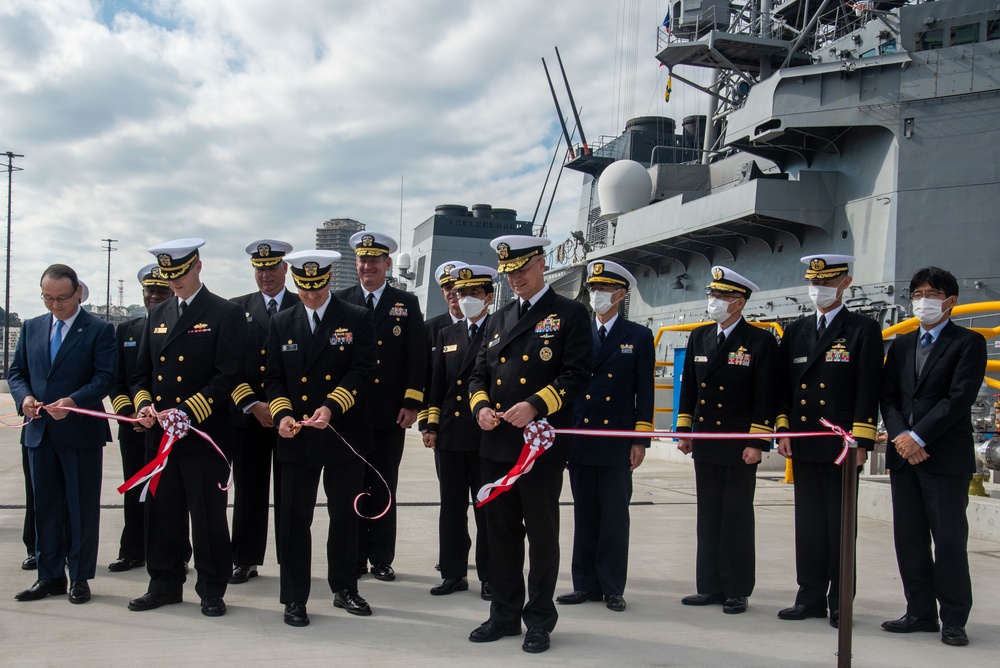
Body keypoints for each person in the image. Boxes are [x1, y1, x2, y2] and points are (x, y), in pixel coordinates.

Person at [467, 235, 591, 654]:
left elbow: (576, 375)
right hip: (497, 445)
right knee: (499, 535)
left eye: (522, 269)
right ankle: (503, 614)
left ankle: (538, 619)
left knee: (541, 536)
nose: (515, 278)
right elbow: (477, 374)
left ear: (540, 263)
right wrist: (481, 407)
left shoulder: (570, 313)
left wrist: (536, 404)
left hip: (539, 447)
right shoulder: (497, 318)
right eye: (509, 272)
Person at [127, 238, 246, 618]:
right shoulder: (157, 313)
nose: (175, 283)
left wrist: (187, 412)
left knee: (208, 516)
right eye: (169, 276)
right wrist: (143, 403)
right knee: (163, 514)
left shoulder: (224, 313)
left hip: (203, 434)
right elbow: (140, 373)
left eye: (180, 274)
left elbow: (228, 375)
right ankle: (164, 583)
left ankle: (212, 588)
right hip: (161, 436)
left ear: (197, 266)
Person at [264, 250, 377, 627]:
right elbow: (274, 378)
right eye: (304, 288)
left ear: (328, 280)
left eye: (317, 287)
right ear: (296, 282)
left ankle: (345, 588)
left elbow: (362, 372)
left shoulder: (356, 318)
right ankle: (295, 597)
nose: (311, 295)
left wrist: (331, 407)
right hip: (297, 436)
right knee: (294, 520)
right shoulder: (282, 322)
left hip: (343, 430)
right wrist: (281, 414)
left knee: (345, 515)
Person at [880, 266, 987, 647]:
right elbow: (889, 397)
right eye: (918, 293)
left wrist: (919, 436)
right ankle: (919, 612)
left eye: (931, 293)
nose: (922, 300)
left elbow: (959, 398)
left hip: (943, 457)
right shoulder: (903, 345)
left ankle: (954, 618)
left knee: (949, 540)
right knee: (908, 539)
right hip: (904, 457)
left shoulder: (968, 343)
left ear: (950, 301)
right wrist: (901, 436)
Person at [775, 254, 882, 628]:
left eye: (824, 283)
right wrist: (783, 430)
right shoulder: (796, 330)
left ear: (844, 283)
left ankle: (840, 602)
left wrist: (862, 441)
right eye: (812, 283)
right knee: (807, 525)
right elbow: (783, 387)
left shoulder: (862, 330)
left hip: (841, 447)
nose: (816, 290)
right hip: (803, 442)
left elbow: (868, 389)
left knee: (839, 524)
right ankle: (809, 597)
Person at [9, 263, 117, 605]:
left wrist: (74, 401)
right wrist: (24, 397)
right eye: (47, 298)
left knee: (81, 507)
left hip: (80, 432)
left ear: (78, 293)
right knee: (45, 507)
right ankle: (49, 575)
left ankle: (80, 577)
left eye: (62, 298)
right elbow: (16, 373)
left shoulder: (98, 330)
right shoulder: (31, 328)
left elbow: (105, 377)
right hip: (39, 433)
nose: (55, 305)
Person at [675, 266, 778, 615]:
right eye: (711, 295)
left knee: (735, 515)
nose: (713, 301)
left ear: (739, 301)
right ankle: (709, 586)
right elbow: (689, 387)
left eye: (721, 296)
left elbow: (766, 395)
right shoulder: (699, 337)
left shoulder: (759, 340)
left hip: (739, 444)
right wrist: (685, 431)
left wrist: (758, 442)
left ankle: (736, 589)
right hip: (705, 440)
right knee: (709, 513)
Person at [557, 260, 654, 613]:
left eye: (603, 289)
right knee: (584, 515)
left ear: (620, 294)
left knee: (614, 516)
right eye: (593, 289)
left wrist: (639, 439)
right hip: (580, 436)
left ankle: (612, 586)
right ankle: (583, 584)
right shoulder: (578, 331)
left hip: (616, 439)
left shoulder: (638, 336)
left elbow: (645, 391)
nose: (596, 295)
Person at [335, 231, 426, 582]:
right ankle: (355, 556)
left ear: (388, 264)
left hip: (390, 413)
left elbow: (416, 357)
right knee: (352, 485)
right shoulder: (340, 300)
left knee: (385, 483)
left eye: (374, 259)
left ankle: (381, 557)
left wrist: (412, 403)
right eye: (362, 259)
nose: (367, 265)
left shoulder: (406, 303)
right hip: (350, 413)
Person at [228, 239, 300, 585]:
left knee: (290, 494)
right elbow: (227, 366)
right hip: (250, 416)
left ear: (285, 269)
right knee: (249, 491)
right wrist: (252, 404)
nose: (266, 274)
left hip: (290, 419)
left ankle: (290, 559)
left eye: (272, 267)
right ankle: (244, 558)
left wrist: (284, 408)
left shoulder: (303, 304)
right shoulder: (235, 309)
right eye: (260, 268)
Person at [423, 264, 496, 600]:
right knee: (451, 508)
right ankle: (453, 573)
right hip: (451, 436)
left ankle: (491, 576)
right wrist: (431, 425)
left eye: (473, 294)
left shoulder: (499, 331)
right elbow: (435, 385)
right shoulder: (447, 335)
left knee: (487, 509)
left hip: (487, 436)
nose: (466, 299)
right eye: (461, 293)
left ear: (489, 297)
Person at [108, 264, 173, 572]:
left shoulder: (181, 327)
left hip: (171, 428)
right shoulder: (126, 331)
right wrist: (129, 414)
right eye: (151, 290)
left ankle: (174, 554)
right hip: (134, 428)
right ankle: (132, 550)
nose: (155, 296)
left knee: (169, 496)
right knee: (134, 490)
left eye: (162, 290)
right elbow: (118, 381)